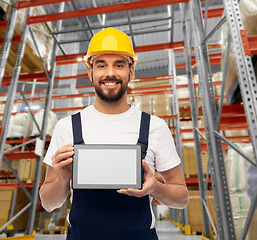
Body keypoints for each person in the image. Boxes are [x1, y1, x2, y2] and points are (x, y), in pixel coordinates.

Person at [40, 27, 188, 240]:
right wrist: (62, 179)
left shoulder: (154, 127)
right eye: (101, 65)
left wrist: (154, 187)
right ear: (90, 72)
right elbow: (47, 202)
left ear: (131, 71)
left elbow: (181, 198)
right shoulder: (67, 127)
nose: (110, 73)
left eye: (119, 65)